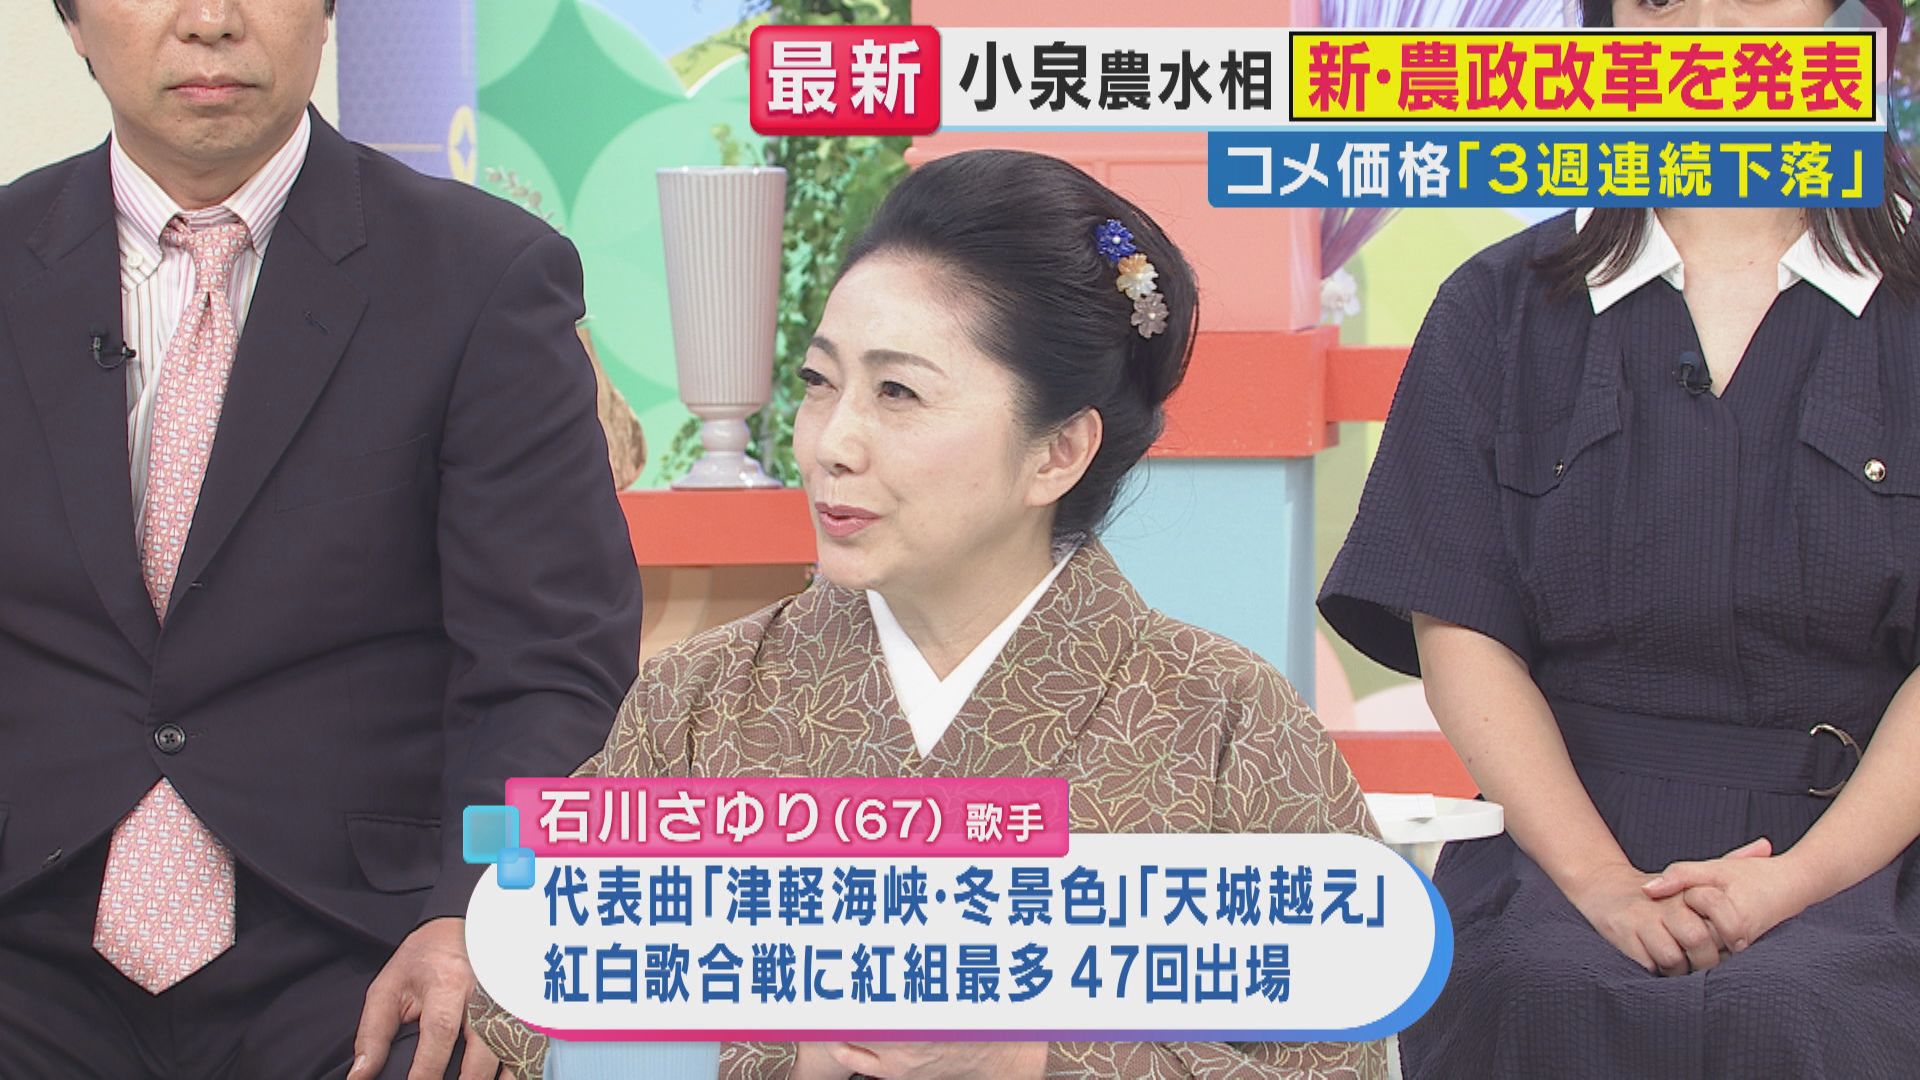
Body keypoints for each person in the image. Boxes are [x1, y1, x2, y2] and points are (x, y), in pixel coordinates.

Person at [469, 148, 1388, 1080]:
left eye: (898, 392)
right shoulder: (699, 699)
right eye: (820, 382)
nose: (832, 443)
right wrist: (792, 1054)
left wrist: (1034, 1059)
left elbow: (1340, 1063)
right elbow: (529, 993)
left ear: (1058, 452)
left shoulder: (1226, 719)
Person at [0, 2, 642, 1077]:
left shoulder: (482, 275)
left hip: (362, 945)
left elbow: (549, 668)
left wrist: (480, 915)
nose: (210, 21)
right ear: (71, 19)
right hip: (26, 940)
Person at [1318, 0, 1920, 1075]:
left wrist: (1798, 880)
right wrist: (1598, 881)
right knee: (1536, 988)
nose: (1713, 30)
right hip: (1562, 846)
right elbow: (1462, 627)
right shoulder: (1497, 305)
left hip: (1869, 854)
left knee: (1800, 1008)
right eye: (1660, 1)